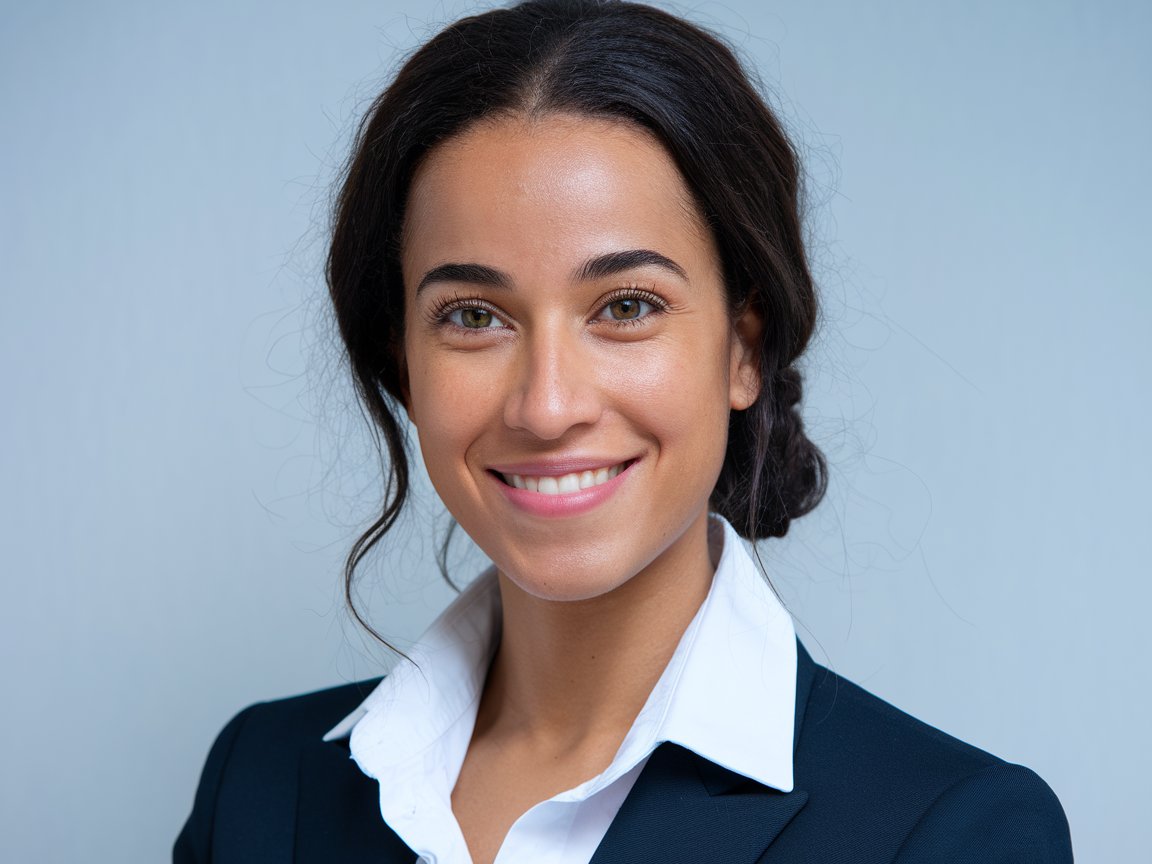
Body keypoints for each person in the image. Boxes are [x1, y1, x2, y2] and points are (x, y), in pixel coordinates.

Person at [174, 1, 1073, 861]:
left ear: (743, 351)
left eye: (627, 305)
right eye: (474, 316)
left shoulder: (950, 833)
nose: (547, 404)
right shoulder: (258, 787)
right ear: (403, 361)